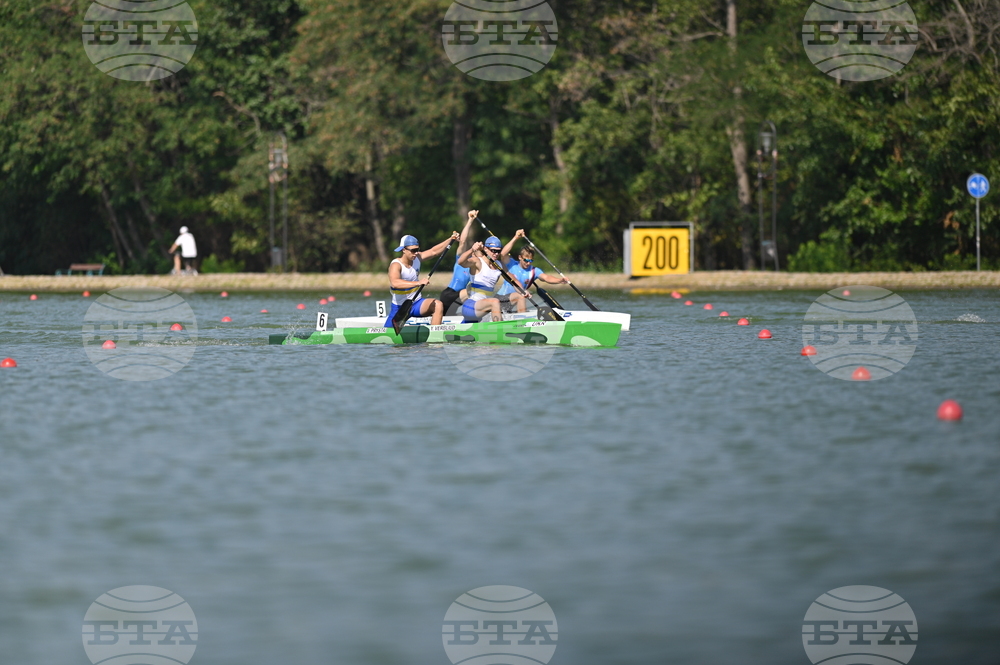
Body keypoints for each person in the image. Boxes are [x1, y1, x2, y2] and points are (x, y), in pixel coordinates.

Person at [384, 231, 460, 327]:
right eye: (413, 250)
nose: (416, 253)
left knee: (438, 305)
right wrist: (418, 283)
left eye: (417, 250)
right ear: (404, 250)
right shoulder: (396, 265)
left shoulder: (417, 258)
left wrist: (451, 239)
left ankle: (435, 335)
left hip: (416, 303)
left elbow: (434, 252)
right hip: (400, 307)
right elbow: (395, 283)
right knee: (388, 334)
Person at [457, 236, 525, 323]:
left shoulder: (499, 265)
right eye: (493, 250)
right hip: (470, 307)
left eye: (498, 251)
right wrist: (472, 249)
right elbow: (461, 262)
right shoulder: (477, 262)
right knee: (495, 301)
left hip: (483, 308)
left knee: (495, 303)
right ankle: (501, 330)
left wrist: (523, 291)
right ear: (485, 249)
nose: (496, 253)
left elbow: (513, 280)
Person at [498, 229, 569, 306]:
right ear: (520, 257)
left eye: (531, 261)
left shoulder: (534, 271)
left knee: (524, 296)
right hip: (501, 300)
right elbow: (502, 254)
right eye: (526, 260)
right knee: (521, 297)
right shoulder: (511, 263)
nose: (528, 263)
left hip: (514, 304)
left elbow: (546, 277)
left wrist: (559, 280)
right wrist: (516, 237)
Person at [439, 210, 479, 315]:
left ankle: (479, 313)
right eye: (474, 253)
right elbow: (463, 242)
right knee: (471, 292)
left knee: (477, 292)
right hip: (448, 295)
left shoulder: (477, 267)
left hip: (458, 298)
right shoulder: (461, 260)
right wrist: (470, 220)